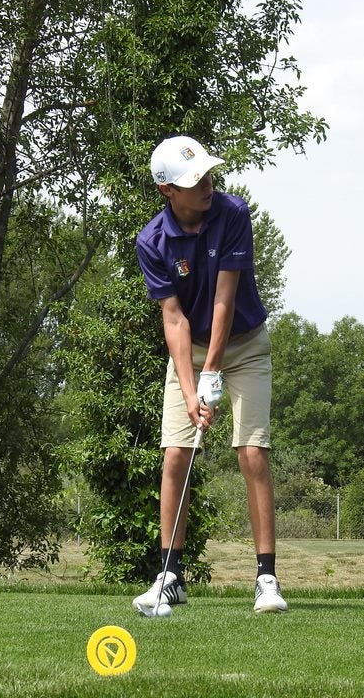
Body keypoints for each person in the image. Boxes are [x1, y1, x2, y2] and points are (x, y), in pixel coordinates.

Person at [132, 134, 287, 614]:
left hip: (244, 346)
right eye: (193, 180)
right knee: (175, 454)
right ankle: (170, 577)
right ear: (167, 191)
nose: (207, 185)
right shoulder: (151, 242)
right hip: (191, 352)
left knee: (251, 450)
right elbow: (174, 321)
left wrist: (214, 371)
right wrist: (189, 385)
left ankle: (266, 579)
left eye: (207, 174)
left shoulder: (233, 212)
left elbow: (225, 296)